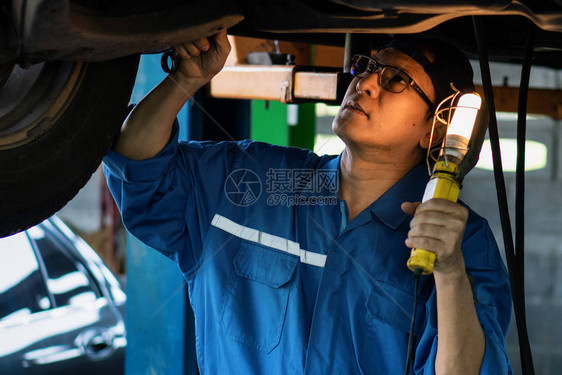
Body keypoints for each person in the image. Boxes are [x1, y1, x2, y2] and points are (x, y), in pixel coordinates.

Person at [103, 30, 512, 374]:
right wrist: (184, 80)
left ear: (435, 129)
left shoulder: (462, 242)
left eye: (396, 80)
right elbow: (139, 167)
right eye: (368, 67)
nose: (365, 83)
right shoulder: (251, 181)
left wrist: (450, 271)